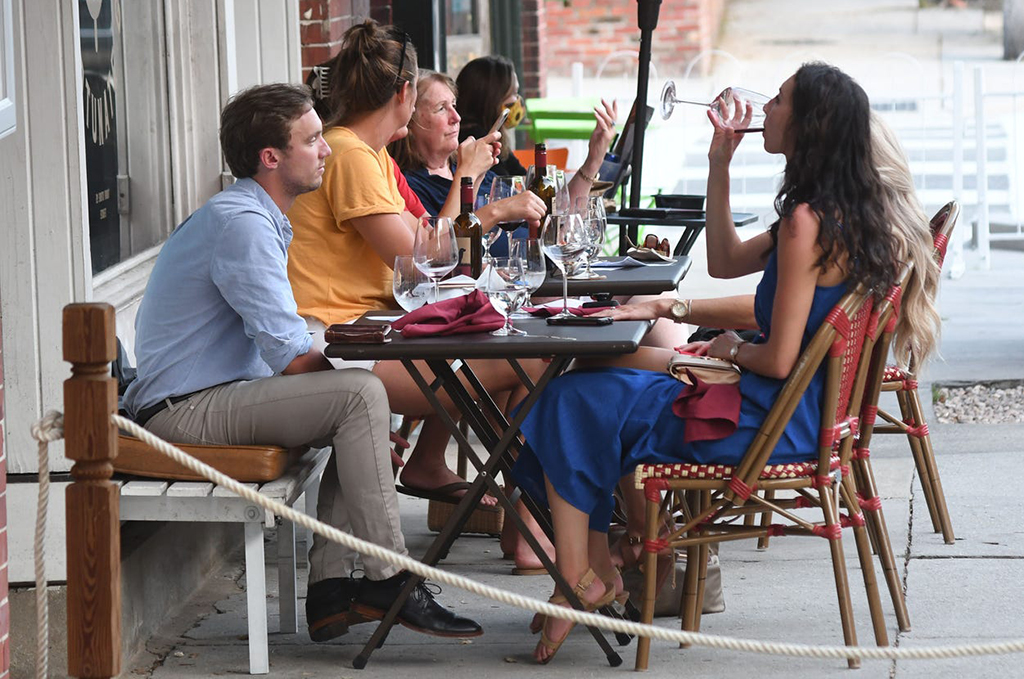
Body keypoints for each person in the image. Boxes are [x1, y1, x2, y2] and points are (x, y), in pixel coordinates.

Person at [511, 63, 932, 664]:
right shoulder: (835, 212)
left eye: (779, 100)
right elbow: (727, 258)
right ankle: (589, 570)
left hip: (765, 422)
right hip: (799, 414)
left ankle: (581, 575)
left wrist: (726, 349)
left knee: (569, 397)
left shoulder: (806, 223)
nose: (765, 108)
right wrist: (719, 162)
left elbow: (779, 356)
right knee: (597, 378)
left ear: (809, 124)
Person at [122, 84, 482, 643]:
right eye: (312, 140)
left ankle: (334, 589)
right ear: (271, 158)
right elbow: (291, 359)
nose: (327, 150)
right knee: (359, 396)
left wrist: (369, 425)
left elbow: (288, 351)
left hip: (210, 396)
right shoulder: (241, 224)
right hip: (181, 413)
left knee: (359, 398)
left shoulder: (255, 215)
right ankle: (389, 579)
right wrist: (370, 418)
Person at [286, 22, 547, 523]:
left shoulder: (372, 156)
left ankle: (521, 513)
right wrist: (483, 201)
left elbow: (430, 246)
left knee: (520, 345)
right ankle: (535, 520)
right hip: (338, 348)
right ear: (404, 92)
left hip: (371, 336)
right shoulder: (348, 154)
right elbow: (425, 260)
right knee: (534, 358)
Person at [390, 70, 546, 256]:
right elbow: (438, 251)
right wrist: (469, 176)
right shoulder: (410, 184)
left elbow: (550, 221)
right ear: (410, 120)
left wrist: (590, 163)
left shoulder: (473, 170)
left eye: (454, 106)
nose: (456, 117)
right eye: (441, 108)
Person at [455, 54, 618, 213]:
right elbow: (539, 200)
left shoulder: (490, 137)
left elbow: (532, 188)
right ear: (490, 98)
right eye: (512, 93)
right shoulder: (479, 143)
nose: (517, 101)